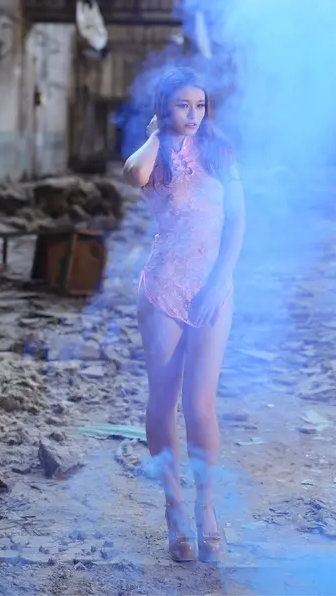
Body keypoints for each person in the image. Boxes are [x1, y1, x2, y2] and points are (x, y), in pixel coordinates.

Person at [123, 66, 246, 563]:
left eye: (200, 105)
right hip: (163, 289)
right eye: (183, 105)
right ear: (164, 107)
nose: (194, 114)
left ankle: (206, 510)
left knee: (200, 407)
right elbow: (134, 175)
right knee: (162, 401)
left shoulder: (220, 151)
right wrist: (156, 133)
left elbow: (237, 223)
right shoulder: (154, 155)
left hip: (212, 288)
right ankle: (173, 510)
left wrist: (218, 283)